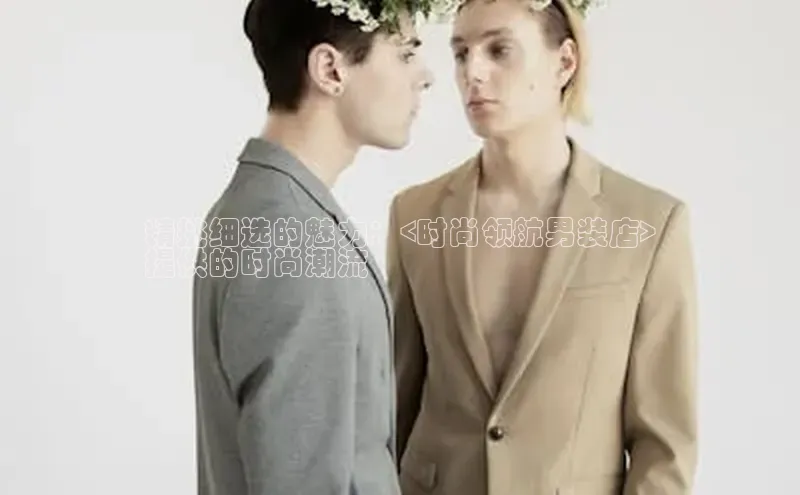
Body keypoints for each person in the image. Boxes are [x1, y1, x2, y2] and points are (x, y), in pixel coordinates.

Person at [386, 0, 698, 494]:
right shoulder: (415, 215)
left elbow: (664, 447)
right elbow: (393, 409)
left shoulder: (649, 224)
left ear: (564, 62)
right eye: (462, 53)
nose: (473, 73)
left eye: (499, 50)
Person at [191, 0, 436, 494]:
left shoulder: (259, 206)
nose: (425, 77)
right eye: (406, 54)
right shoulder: (293, 238)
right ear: (330, 70)